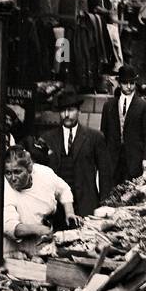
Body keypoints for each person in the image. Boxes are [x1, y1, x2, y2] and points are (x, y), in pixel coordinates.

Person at [43, 90, 113, 218]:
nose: (66, 115)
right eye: (63, 111)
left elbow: (105, 173)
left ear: (79, 111)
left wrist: (104, 202)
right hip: (56, 206)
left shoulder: (94, 137)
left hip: (86, 203)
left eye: (70, 110)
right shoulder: (48, 138)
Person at [2, 145, 78, 258]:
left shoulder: (44, 173)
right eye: (8, 173)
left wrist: (69, 212)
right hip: (13, 250)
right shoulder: (3, 188)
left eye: (17, 172)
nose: (12, 178)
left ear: (29, 169)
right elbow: (9, 226)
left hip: (42, 244)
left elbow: (63, 189)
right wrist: (39, 229)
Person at [100, 66, 146, 186]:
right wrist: (102, 159)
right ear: (119, 83)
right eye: (125, 83)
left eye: (132, 83)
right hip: (113, 159)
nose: (129, 86)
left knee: (132, 194)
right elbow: (103, 133)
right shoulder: (109, 106)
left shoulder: (144, 106)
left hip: (134, 159)